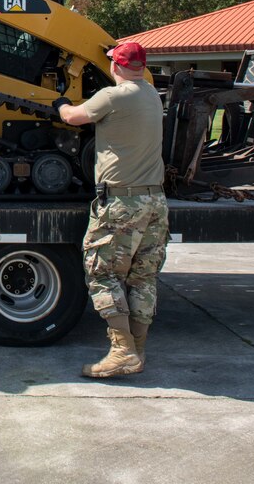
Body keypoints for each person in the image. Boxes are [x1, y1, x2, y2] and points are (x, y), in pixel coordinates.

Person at [53, 41, 168, 377]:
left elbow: (74, 117)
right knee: (143, 277)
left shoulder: (113, 96)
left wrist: (60, 103)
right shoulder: (151, 95)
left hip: (122, 201)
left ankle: (122, 352)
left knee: (103, 272)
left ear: (116, 66)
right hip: (155, 201)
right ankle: (138, 350)